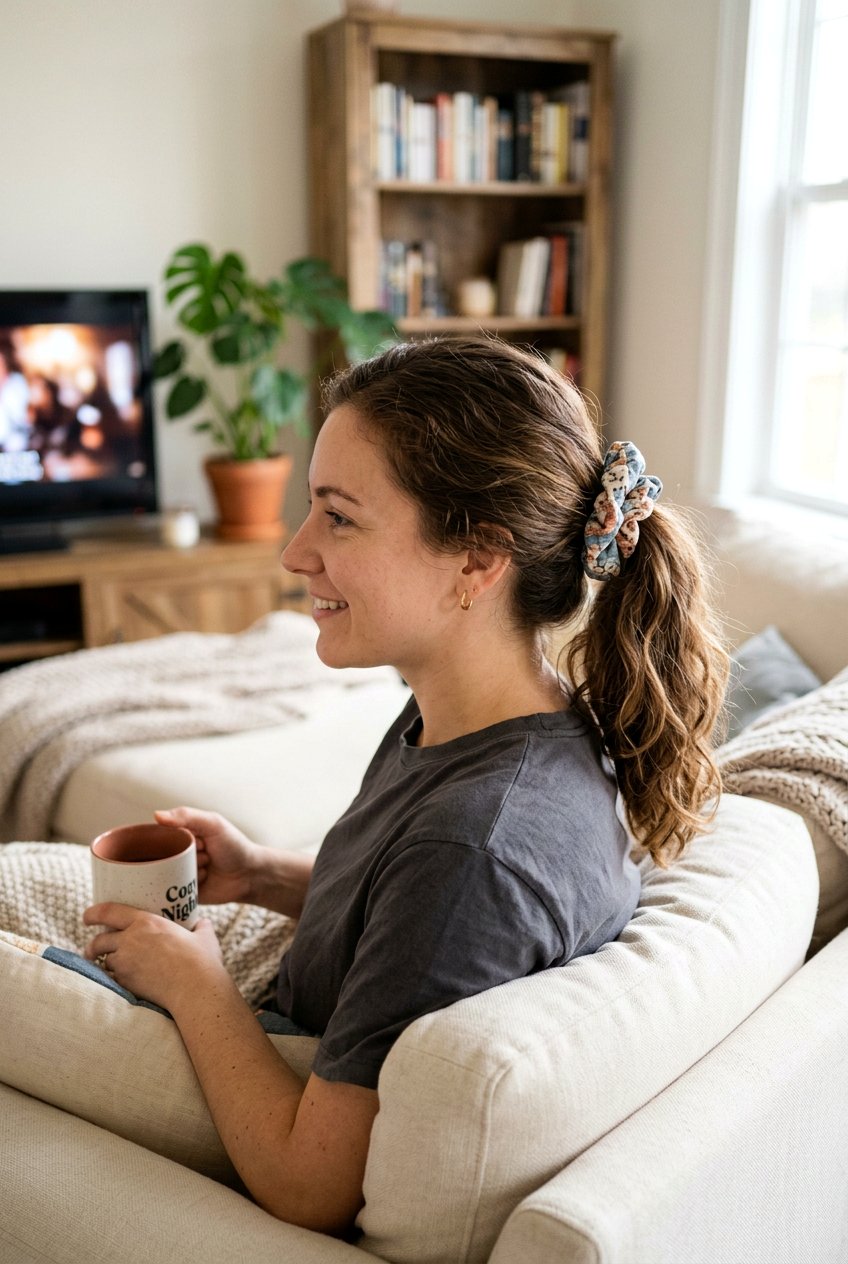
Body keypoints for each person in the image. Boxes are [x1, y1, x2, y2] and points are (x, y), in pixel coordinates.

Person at [81, 335, 729, 1235]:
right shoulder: (500, 723)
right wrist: (266, 875)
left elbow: (310, 1186)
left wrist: (196, 987)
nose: (295, 554)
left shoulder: (475, 846)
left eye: (339, 517)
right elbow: (416, 948)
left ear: (476, 561)